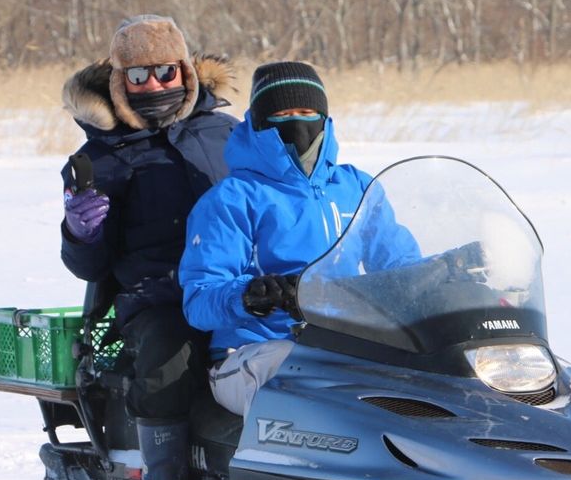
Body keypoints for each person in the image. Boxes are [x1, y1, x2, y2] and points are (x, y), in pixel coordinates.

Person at [57, 15, 237, 480]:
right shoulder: (100, 158)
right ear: (119, 83)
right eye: (139, 76)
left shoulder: (228, 134)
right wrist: (79, 231)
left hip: (234, 284)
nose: (155, 85)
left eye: (164, 71)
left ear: (185, 70)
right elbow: (89, 267)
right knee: (167, 355)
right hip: (158, 295)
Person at [178, 61, 419, 416]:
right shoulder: (232, 199)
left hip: (344, 346)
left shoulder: (356, 188)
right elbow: (198, 301)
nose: (298, 122)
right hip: (254, 353)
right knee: (307, 383)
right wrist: (250, 295)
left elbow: (402, 266)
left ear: (324, 116)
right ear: (260, 122)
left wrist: (454, 273)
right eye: (283, 114)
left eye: (307, 111)